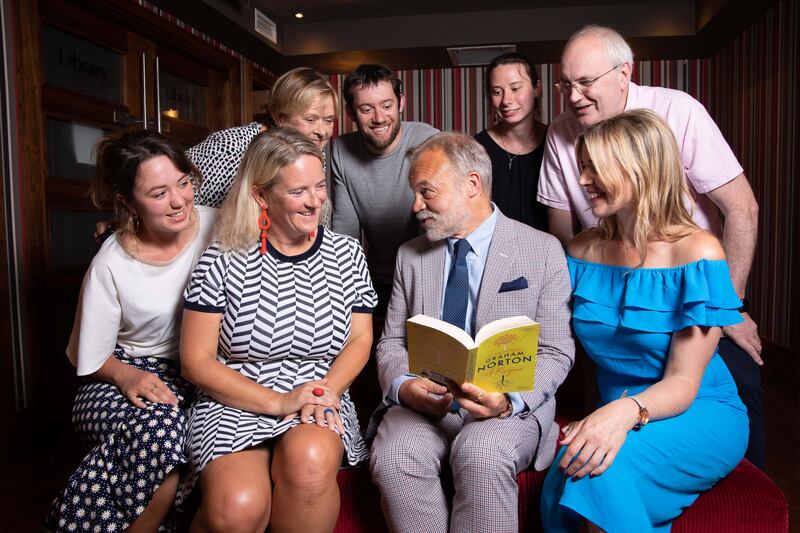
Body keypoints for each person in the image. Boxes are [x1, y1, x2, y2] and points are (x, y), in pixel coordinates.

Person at [537, 24, 764, 467]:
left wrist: (727, 305)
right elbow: (561, 238)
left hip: (692, 287)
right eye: (566, 84)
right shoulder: (561, 134)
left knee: (738, 400)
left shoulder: (676, 111)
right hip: (606, 286)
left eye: (586, 82)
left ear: (624, 73)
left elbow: (743, 209)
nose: (573, 95)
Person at [540, 109, 748, 532]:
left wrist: (621, 413)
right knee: (569, 472)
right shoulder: (581, 251)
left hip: (694, 409)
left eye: (594, 168)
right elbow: (548, 340)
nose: (582, 181)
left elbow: (684, 383)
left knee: (597, 471)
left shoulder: (698, 253)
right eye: (582, 167)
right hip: (614, 408)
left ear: (640, 170)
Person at [370, 132, 574, 533]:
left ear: (472, 185)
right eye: (414, 193)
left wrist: (507, 400)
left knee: (480, 455)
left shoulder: (543, 249)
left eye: (426, 192)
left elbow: (556, 350)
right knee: (395, 458)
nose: (416, 206)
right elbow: (392, 342)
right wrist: (402, 387)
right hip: (426, 402)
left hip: (507, 406)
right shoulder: (410, 255)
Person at [179, 128, 376, 532]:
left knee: (310, 464)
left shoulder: (347, 254)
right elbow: (195, 361)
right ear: (260, 195)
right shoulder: (222, 256)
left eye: (320, 186)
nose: (315, 200)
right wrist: (276, 402)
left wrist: (327, 392)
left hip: (317, 389)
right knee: (238, 507)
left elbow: (360, 339)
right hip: (234, 396)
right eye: (299, 191)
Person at [46, 130, 217, 532]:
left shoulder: (220, 225)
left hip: (200, 368)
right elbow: (90, 360)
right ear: (126, 202)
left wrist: (265, 128)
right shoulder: (111, 263)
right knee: (162, 433)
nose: (178, 201)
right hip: (122, 374)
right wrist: (129, 376)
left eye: (183, 182)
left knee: (170, 438)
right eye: (158, 194)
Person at [331, 63, 438, 316]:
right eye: (366, 109)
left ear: (401, 102)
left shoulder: (429, 141)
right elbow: (346, 233)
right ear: (350, 112)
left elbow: (440, 221)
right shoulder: (340, 150)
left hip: (428, 274)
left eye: (387, 106)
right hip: (376, 278)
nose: (379, 118)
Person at [189, 66, 338, 227]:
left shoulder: (311, 151)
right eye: (310, 119)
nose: (322, 131)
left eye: (328, 120)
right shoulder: (231, 147)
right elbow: (184, 205)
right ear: (280, 117)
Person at [474, 52, 548, 230]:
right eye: (497, 92)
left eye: (515, 88)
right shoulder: (476, 148)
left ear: (537, 88)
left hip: (550, 254)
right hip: (494, 255)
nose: (506, 100)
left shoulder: (556, 142)